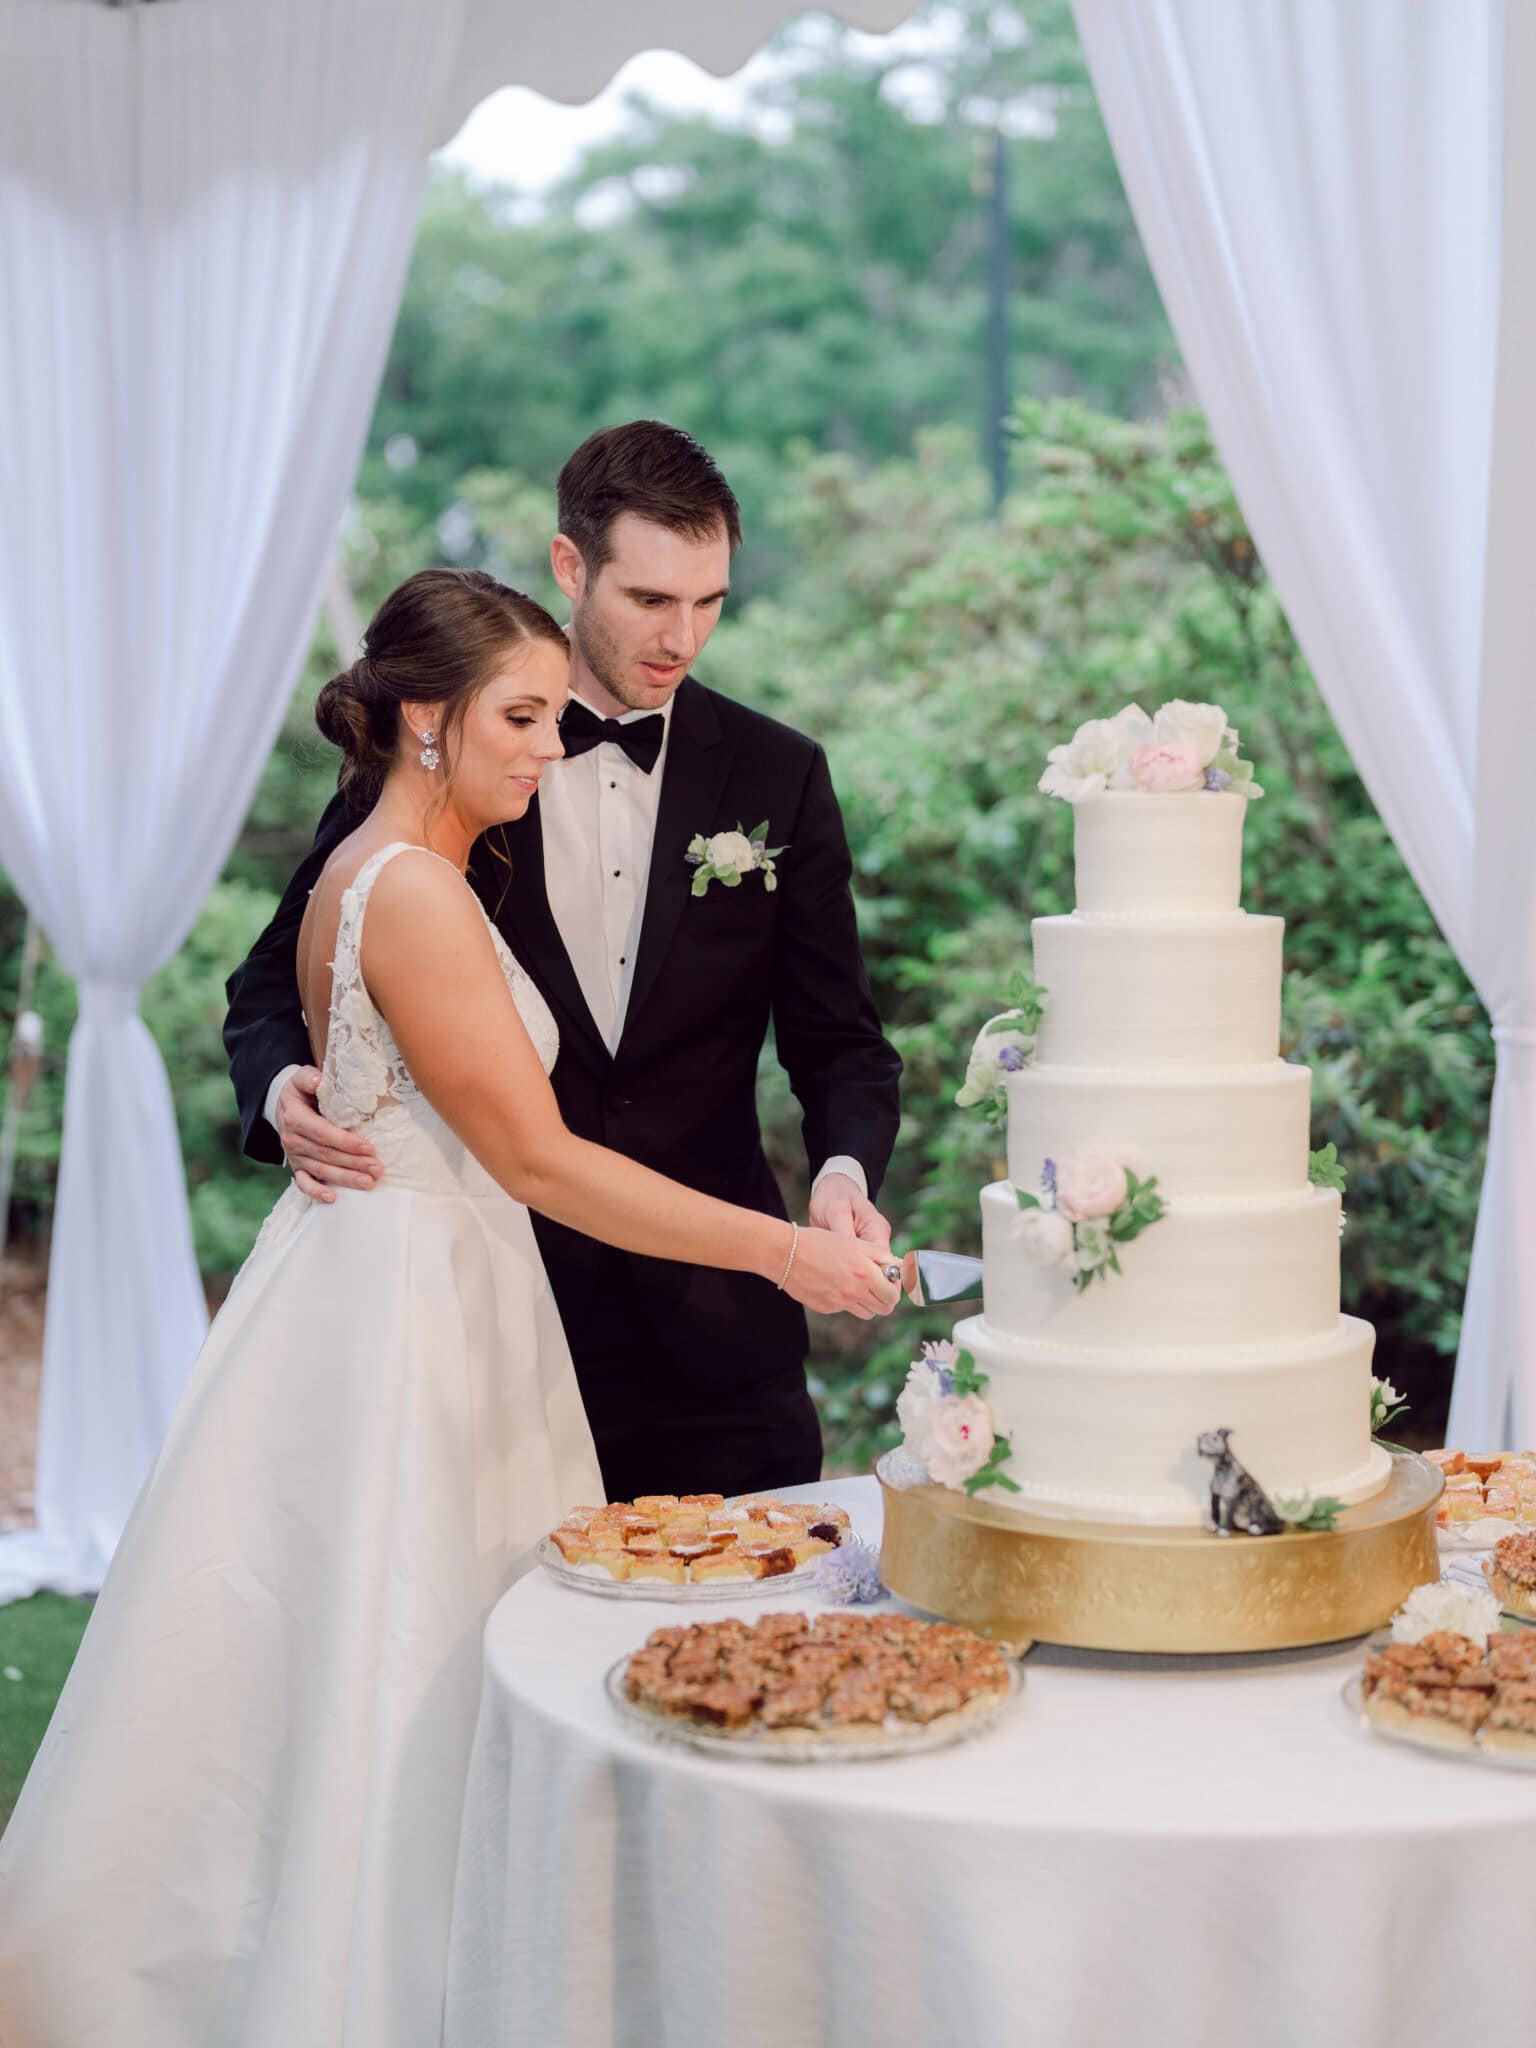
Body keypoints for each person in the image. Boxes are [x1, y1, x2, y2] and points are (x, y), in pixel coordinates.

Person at [0, 571, 897, 2048]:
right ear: (427, 719)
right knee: (397, 1650)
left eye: (558, 717)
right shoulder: (410, 889)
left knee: (381, 1649)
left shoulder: (416, 865)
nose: (553, 748)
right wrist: (785, 1254)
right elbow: (538, 1157)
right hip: (413, 1308)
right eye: (525, 717)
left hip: (436, 1283)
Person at [225, 420, 904, 1501]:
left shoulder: (780, 774)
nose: (683, 636)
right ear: (569, 564)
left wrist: (840, 1174)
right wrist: (282, 1087)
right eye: (649, 600)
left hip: (716, 1330)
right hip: (499, 1306)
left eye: (710, 601)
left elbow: (842, 1041)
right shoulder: (448, 753)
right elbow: (282, 971)